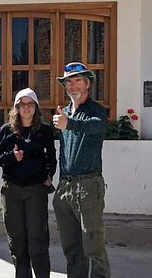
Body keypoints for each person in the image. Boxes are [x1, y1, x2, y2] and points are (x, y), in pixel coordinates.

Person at [52, 62, 110, 278]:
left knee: (93, 245)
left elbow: (95, 126)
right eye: (68, 81)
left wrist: (70, 123)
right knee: (72, 248)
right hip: (64, 187)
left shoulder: (96, 111)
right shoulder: (64, 112)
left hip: (88, 185)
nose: (72, 85)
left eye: (77, 80)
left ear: (87, 84)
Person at [0, 88, 57, 278]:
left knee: (38, 238)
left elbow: (51, 157)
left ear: (36, 107)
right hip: (11, 189)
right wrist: (12, 157)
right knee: (17, 239)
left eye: (30, 104)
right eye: (22, 104)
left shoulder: (44, 131)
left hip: (36, 189)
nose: (26, 108)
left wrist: (49, 175)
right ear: (17, 107)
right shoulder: (7, 130)